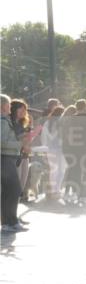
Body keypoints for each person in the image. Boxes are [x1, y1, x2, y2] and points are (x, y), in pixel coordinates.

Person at [1, 95, 28, 234]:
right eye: (8, 105)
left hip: (8, 158)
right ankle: (10, 222)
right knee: (14, 190)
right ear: (3, 106)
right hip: (5, 159)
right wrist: (19, 144)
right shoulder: (2, 122)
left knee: (8, 192)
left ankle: (8, 222)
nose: (10, 107)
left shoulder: (5, 120)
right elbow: (2, 142)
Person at [41, 105, 66, 203]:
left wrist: (45, 147)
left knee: (53, 170)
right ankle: (57, 190)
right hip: (60, 149)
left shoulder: (48, 122)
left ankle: (53, 191)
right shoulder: (61, 122)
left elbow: (44, 136)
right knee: (61, 170)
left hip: (50, 149)